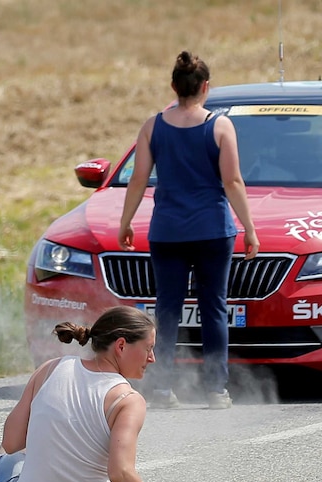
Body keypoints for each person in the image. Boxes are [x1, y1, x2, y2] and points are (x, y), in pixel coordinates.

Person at [0, 306, 216, 482]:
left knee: (8, 461)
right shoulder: (129, 399)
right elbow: (120, 472)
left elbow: (12, 443)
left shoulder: (50, 369)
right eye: (148, 348)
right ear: (121, 346)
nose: (152, 358)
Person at [117, 51, 260, 410]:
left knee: (166, 311)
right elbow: (233, 181)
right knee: (214, 308)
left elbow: (137, 180)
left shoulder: (153, 127)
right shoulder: (221, 126)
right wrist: (250, 229)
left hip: (167, 232)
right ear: (205, 87)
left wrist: (126, 221)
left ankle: (163, 388)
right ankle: (215, 390)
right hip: (213, 230)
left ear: (173, 87)